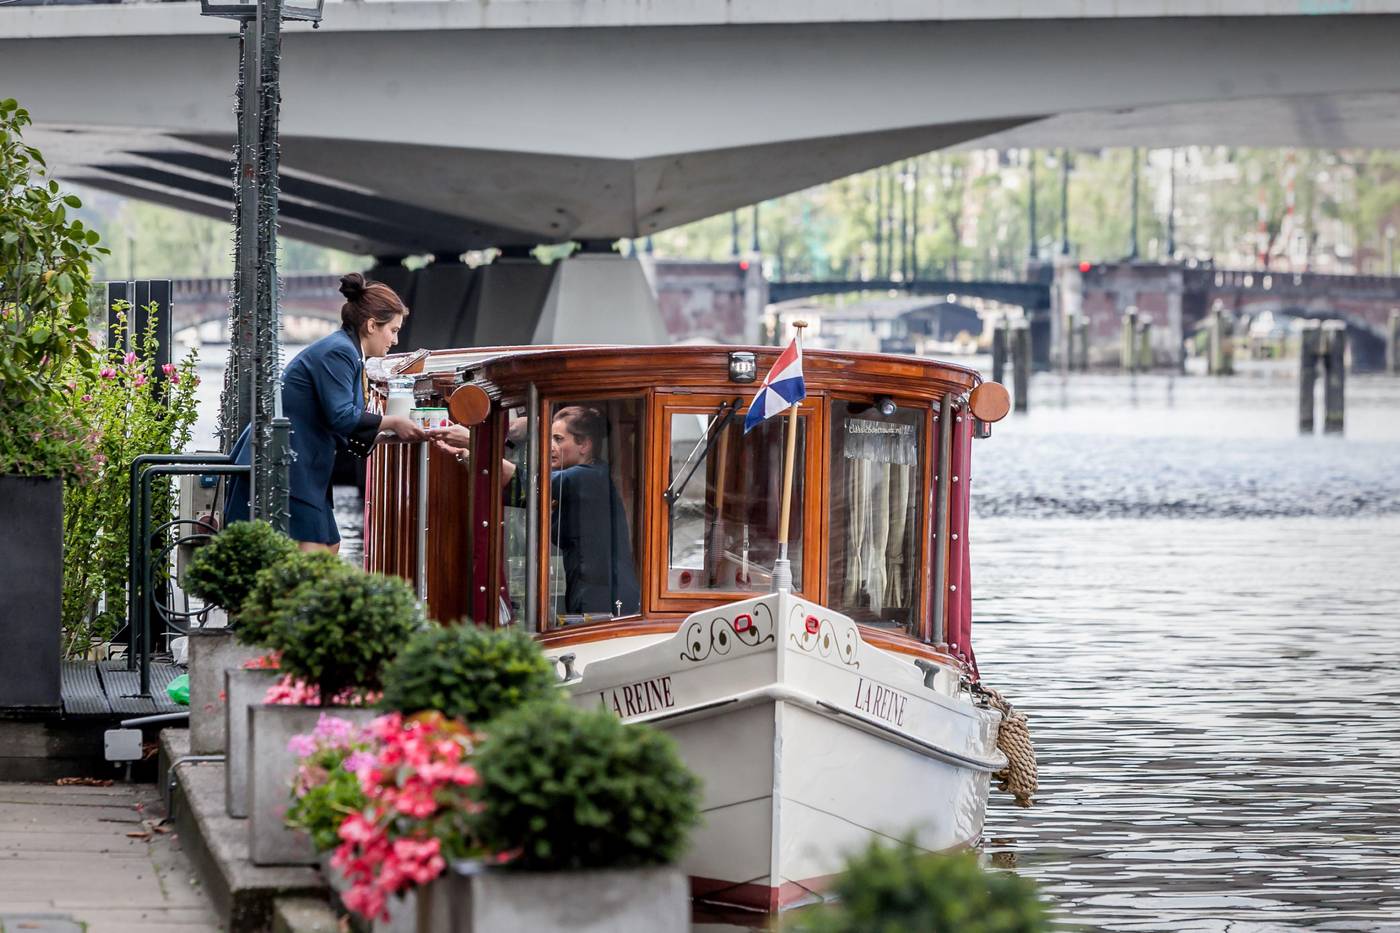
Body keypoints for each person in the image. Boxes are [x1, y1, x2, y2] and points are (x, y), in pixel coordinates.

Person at [224, 273, 425, 552]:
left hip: (298, 462)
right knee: (315, 550)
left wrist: (384, 435)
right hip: (286, 461)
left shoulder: (347, 350)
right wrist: (393, 422)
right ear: (371, 325)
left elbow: (338, 419)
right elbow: (341, 416)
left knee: (330, 545)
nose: (396, 339)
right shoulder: (340, 352)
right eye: (393, 330)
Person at [428, 405, 640, 619]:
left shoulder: (588, 477)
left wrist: (472, 441)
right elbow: (518, 492)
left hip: (607, 598)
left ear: (584, 444)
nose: (550, 446)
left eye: (558, 439)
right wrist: (465, 454)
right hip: (589, 591)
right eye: (549, 438)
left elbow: (525, 483)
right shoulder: (579, 479)